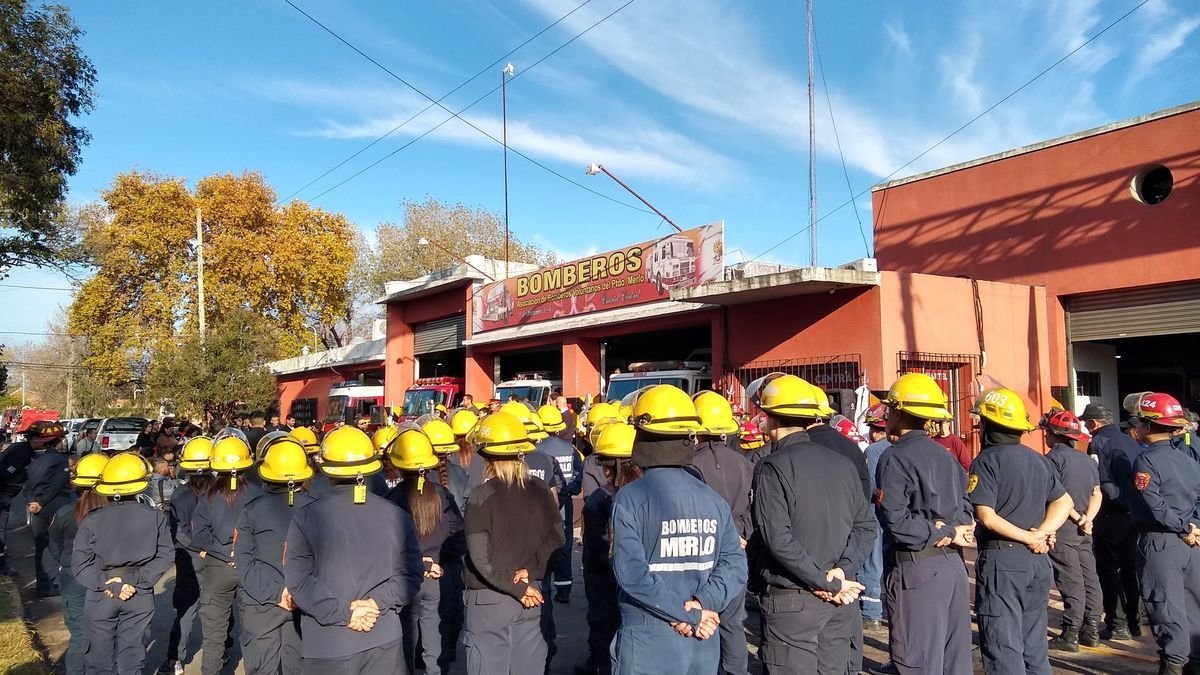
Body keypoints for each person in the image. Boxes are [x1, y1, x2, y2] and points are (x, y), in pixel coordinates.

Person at [609, 385, 746, 674]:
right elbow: (735, 565)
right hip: (702, 640)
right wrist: (701, 605)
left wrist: (685, 613)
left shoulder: (629, 499)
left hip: (649, 639)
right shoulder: (712, 500)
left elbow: (631, 575)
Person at [747, 374, 873, 674]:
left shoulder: (772, 467)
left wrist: (825, 581)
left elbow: (778, 539)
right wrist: (840, 571)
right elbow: (867, 526)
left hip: (793, 602)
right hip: (838, 602)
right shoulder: (842, 463)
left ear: (769, 417)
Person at [285, 425, 424, 672]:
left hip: (328, 643)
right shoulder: (396, 515)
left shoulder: (306, 518)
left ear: (326, 469)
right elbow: (411, 573)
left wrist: (345, 613)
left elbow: (299, 581)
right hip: (382, 637)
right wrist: (375, 603)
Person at [873, 374, 974, 675]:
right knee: (955, 662)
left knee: (917, 661)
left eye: (889, 408)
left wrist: (941, 531)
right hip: (953, 567)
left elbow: (896, 521)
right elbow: (966, 506)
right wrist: (950, 529)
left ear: (898, 412)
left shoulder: (894, 457)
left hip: (917, 569)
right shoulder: (945, 456)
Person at [968, 387, 1072, 675]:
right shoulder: (1038, 459)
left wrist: (1030, 536)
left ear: (987, 425)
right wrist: (1043, 532)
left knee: (1003, 645)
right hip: (1037, 562)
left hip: (1004, 561)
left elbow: (987, 517)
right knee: (1034, 644)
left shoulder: (986, 461)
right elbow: (1064, 502)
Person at [461, 411, 564, 674]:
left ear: (487, 458)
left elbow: (480, 557)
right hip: (532, 595)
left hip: (490, 599)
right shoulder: (541, 489)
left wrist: (517, 586)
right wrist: (530, 573)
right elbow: (557, 539)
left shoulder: (480, 496)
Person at [72, 452, 173, 675]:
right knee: (132, 659)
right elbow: (166, 555)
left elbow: (80, 564)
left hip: (102, 592)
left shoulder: (92, 518)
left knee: (98, 662)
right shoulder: (155, 516)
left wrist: (108, 583)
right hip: (139, 591)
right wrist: (133, 580)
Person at [1126, 393, 1200, 675]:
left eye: (1139, 422)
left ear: (1148, 425)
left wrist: (1182, 527)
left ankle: (1173, 666)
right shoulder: (1189, 461)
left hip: (1160, 541)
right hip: (1190, 544)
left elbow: (1152, 503)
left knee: (1165, 607)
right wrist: (1193, 527)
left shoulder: (1146, 461)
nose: (1136, 427)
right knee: (1193, 607)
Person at [386, 427, 464, 675]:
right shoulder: (443, 495)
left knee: (405, 642)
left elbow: (388, 546)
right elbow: (458, 538)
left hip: (405, 580)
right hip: (437, 579)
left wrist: (421, 562)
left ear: (399, 465)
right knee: (435, 643)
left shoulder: (392, 498)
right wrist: (436, 562)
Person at [234, 434, 313, 675]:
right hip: (305, 602)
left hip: (261, 603)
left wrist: (276, 593)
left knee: (261, 668)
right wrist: (297, 591)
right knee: (298, 667)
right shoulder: (317, 510)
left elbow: (243, 560)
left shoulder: (251, 510)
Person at [690, 390, 753, 675]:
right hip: (736, 551)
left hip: (703, 552)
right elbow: (754, 508)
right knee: (732, 623)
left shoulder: (690, 466)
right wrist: (740, 534)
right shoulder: (744, 463)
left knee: (701, 618)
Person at [192, 430, 261, 675]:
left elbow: (199, 535)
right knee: (253, 631)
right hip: (251, 566)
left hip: (217, 568)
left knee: (213, 635)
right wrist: (241, 553)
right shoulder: (259, 493)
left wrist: (223, 553)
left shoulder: (207, 496)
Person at [575, 422, 639, 675]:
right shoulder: (647, 495)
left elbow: (595, 547)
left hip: (605, 582)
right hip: (640, 583)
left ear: (606, 467)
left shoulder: (600, 499)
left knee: (604, 636)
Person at [1040, 409, 1103, 652]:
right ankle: (1092, 629)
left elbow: (1060, 497)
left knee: (1070, 580)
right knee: (1090, 577)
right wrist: (1088, 520)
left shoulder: (1051, 460)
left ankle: (1071, 633)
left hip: (1064, 528)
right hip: (1084, 531)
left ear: (1054, 435)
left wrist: (1078, 518)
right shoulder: (1087, 460)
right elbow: (1096, 493)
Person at [1081, 401, 1145, 640]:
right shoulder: (1130, 440)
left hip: (1110, 513)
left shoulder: (1098, 442)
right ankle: (1134, 621)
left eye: (1087, 423)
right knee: (1129, 568)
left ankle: (1117, 623)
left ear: (1094, 423)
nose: (1086, 427)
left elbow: (1099, 480)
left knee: (1108, 569)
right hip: (1133, 514)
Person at [48, 453, 108, 675]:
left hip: (73, 577)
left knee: (80, 637)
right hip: (107, 577)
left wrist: (68, 565)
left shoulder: (64, 513)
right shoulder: (116, 516)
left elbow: (54, 545)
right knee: (108, 636)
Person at [162, 436, 213, 675]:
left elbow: (178, 530)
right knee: (219, 607)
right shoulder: (221, 490)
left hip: (189, 557)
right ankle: (222, 650)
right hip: (217, 556)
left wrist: (195, 547)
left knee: (186, 609)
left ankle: (175, 659)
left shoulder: (180, 494)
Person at [427, 413, 470, 669]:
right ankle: (449, 651)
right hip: (452, 553)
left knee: (428, 613)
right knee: (453, 605)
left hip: (426, 556)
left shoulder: (419, 481)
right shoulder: (460, 474)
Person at [0, 419, 62, 575]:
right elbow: (5, 473)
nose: (46, 442)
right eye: (43, 438)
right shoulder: (20, 452)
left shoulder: (27, 451)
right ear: (34, 438)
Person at [537, 403, 583, 604]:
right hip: (565, 505)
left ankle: (543, 585)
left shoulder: (537, 450)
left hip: (543, 506)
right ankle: (564, 588)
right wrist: (568, 492)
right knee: (564, 545)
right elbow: (578, 478)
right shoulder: (570, 449)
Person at [24, 423, 73, 596]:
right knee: (56, 545)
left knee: (41, 545)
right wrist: (41, 502)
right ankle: (54, 583)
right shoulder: (59, 460)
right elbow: (57, 485)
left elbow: (28, 485)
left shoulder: (37, 460)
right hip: (54, 506)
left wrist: (32, 501)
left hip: (37, 508)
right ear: (58, 441)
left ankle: (43, 585)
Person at [859, 403, 890, 631]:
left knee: (871, 562)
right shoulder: (901, 447)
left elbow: (868, 487)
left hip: (875, 514)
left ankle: (871, 612)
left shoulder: (873, 451)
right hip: (899, 517)